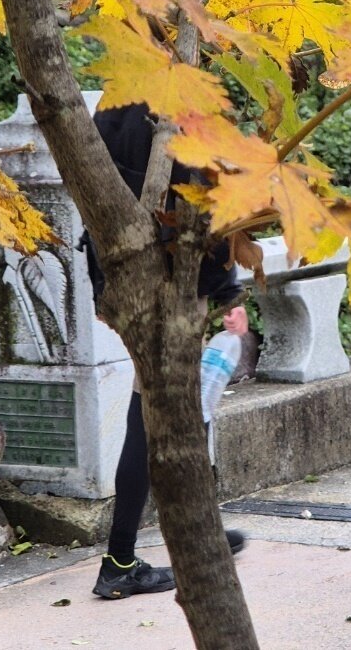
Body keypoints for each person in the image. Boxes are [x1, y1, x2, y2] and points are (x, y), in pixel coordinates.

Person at [83, 101, 248, 600]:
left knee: (155, 411)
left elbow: (90, 193)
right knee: (166, 415)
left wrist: (100, 283)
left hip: (121, 278)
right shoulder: (183, 104)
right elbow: (206, 209)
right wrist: (226, 294)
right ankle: (125, 560)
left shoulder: (110, 106)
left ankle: (142, 551)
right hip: (175, 283)